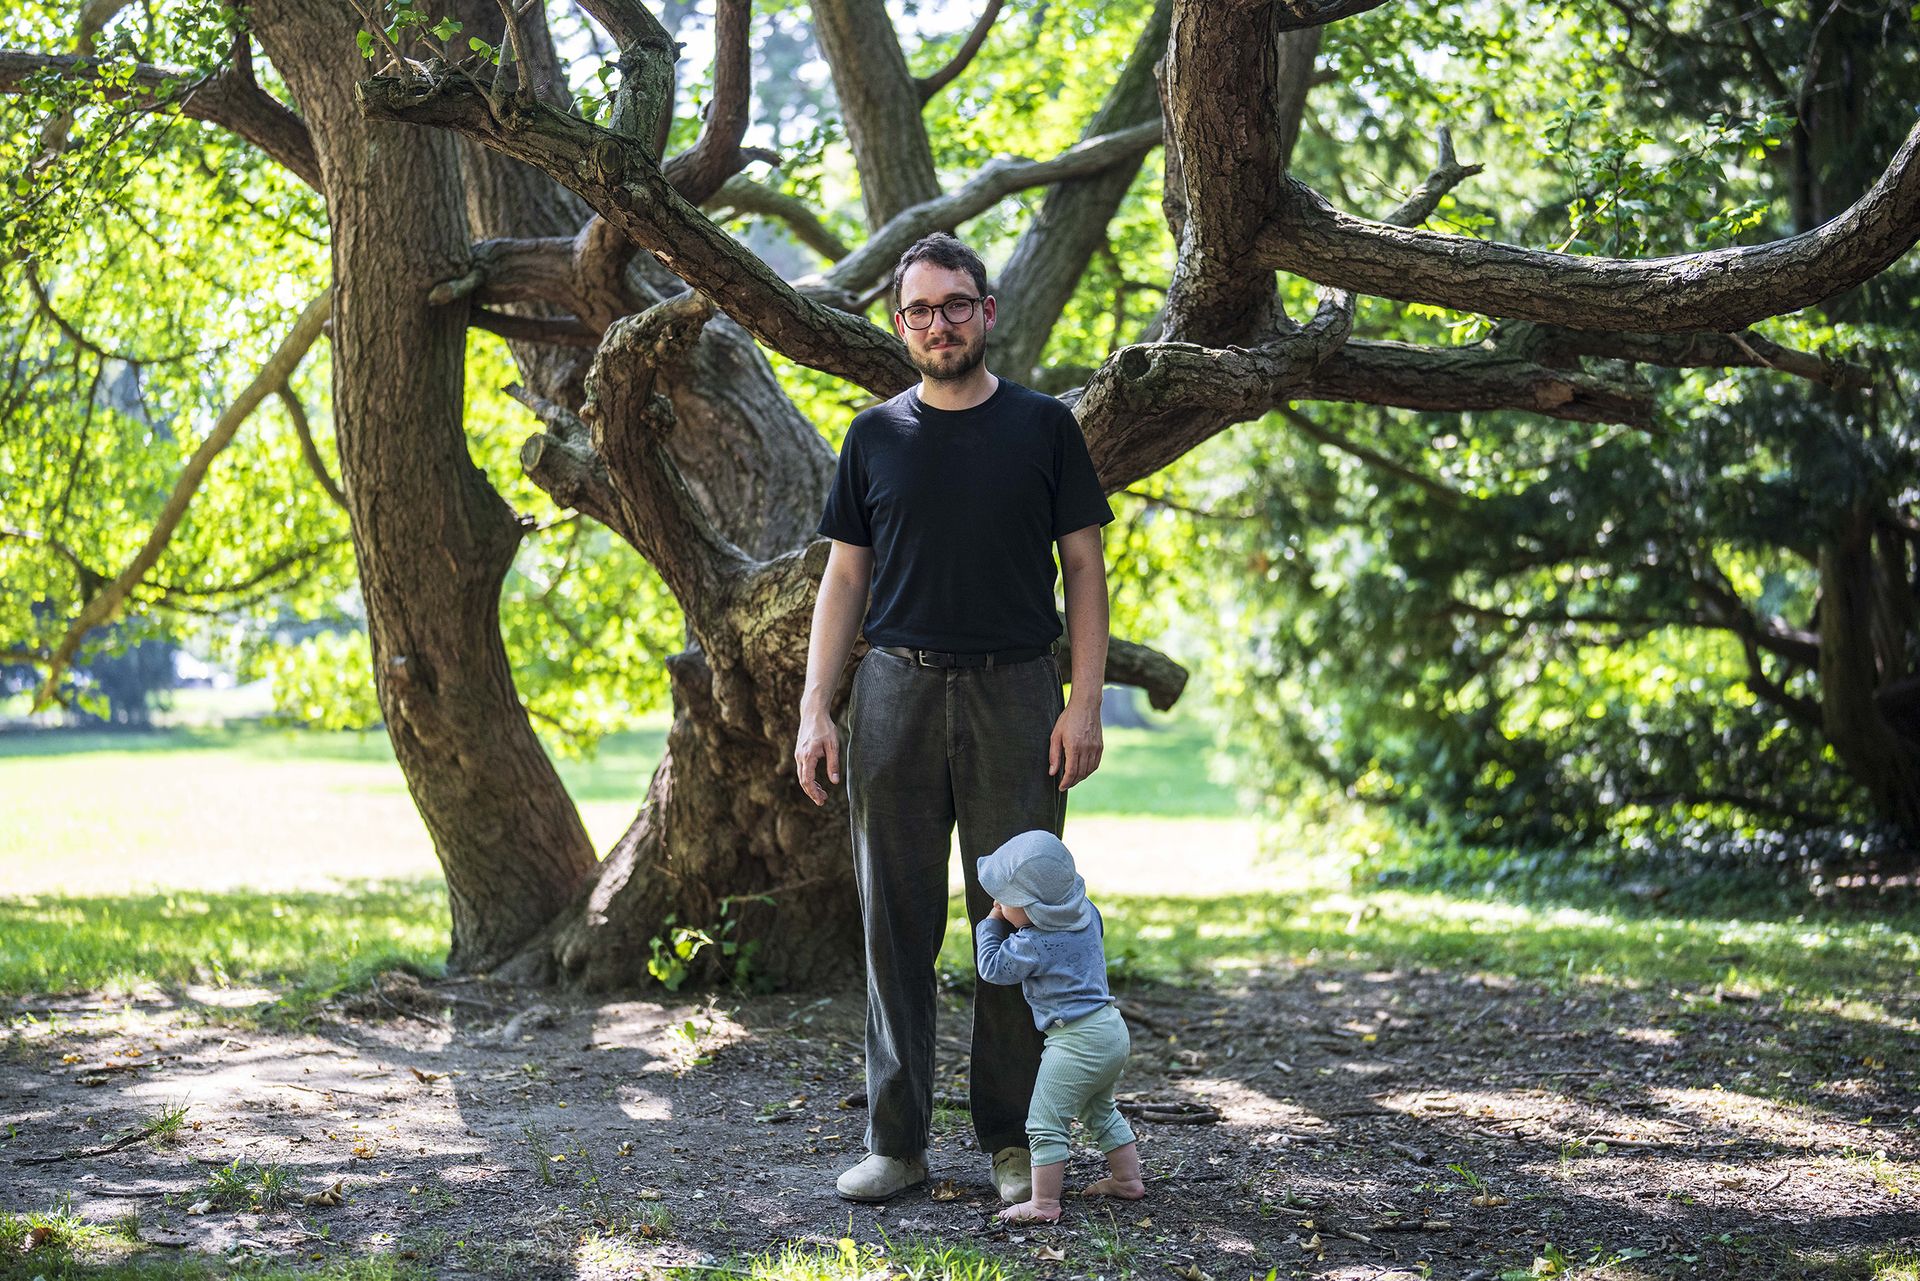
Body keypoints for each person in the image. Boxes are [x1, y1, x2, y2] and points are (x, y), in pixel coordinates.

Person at [793, 232, 1115, 1205]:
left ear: (986, 309)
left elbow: (1087, 569)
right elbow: (843, 578)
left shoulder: (1045, 426)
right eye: (922, 310)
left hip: (1019, 694)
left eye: (958, 304)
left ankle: (1014, 1140)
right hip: (893, 691)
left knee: (1017, 920)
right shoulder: (872, 437)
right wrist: (818, 708)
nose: (941, 324)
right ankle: (896, 1143)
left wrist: (1086, 700)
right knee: (893, 918)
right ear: (901, 326)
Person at [974, 829, 1146, 1223]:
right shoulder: (1087, 913)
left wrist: (991, 924)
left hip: (1074, 1042)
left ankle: (1044, 1203)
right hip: (1110, 1029)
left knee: (1044, 1120)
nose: (1000, 904)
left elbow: (993, 969)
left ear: (1035, 908)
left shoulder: (1031, 942)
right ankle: (1127, 1180)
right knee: (1100, 1110)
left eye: (1007, 900)